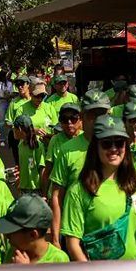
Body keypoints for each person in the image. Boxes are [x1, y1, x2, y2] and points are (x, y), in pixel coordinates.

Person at [62, 115, 136, 261]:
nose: (113, 149)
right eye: (106, 144)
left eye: (119, 143)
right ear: (95, 147)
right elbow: (73, 243)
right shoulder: (79, 190)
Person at [49, 90, 111, 246]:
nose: (97, 120)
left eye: (101, 114)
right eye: (92, 115)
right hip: (75, 234)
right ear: (82, 116)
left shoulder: (117, 148)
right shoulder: (67, 150)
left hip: (110, 232)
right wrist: (55, 239)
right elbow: (57, 196)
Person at [0, 193, 69, 264]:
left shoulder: (59, 260)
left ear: (33, 235)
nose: (7, 235)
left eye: (12, 231)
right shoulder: (13, 252)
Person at [42, 103, 83, 195]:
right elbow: (48, 170)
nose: (69, 122)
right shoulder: (55, 140)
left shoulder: (86, 139)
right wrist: (44, 195)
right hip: (57, 193)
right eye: (64, 119)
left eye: (73, 118)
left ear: (80, 120)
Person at [13, 115, 45, 195]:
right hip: (23, 189)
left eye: (14, 128)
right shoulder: (20, 144)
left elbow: (42, 170)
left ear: (19, 129)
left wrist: (44, 193)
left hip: (35, 191)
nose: (13, 130)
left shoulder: (38, 145)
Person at [6, 75, 31, 165]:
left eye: (22, 84)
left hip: (32, 138)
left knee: (32, 163)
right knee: (19, 164)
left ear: (28, 84)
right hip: (18, 138)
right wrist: (17, 127)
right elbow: (7, 121)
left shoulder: (34, 100)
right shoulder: (14, 103)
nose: (20, 87)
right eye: (17, 85)